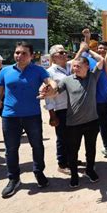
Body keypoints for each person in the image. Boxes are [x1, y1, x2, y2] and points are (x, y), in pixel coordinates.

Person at [0, 41, 57, 198]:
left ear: (31, 56)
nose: (20, 55)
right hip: (10, 117)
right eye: (17, 52)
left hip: (32, 116)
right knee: (11, 149)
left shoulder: (38, 70)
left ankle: (39, 173)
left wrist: (52, 88)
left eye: (24, 53)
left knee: (37, 146)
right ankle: (13, 178)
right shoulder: (5, 72)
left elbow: (50, 82)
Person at [56, 42, 105, 188]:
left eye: (77, 66)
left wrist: (88, 50)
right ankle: (74, 175)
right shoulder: (67, 80)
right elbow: (55, 91)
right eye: (73, 66)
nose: (74, 68)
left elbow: (101, 61)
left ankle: (90, 170)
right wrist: (47, 91)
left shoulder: (93, 76)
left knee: (91, 148)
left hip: (92, 122)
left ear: (87, 67)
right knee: (73, 150)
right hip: (73, 124)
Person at [82, 28, 107, 160]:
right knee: (91, 130)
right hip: (91, 101)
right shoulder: (89, 61)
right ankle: (90, 157)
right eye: (100, 48)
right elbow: (84, 50)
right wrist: (87, 37)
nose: (101, 50)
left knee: (106, 126)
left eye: (104, 49)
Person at [44, 44, 71, 175]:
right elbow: (48, 97)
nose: (64, 54)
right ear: (54, 57)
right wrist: (52, 114)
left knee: (73, 137)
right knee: (62, 138)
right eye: (61, 53)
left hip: (74, 109)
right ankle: (62, 163)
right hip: (61, 109)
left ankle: (71, 159)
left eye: (65, 52)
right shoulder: (50, 72)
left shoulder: (71, 68)